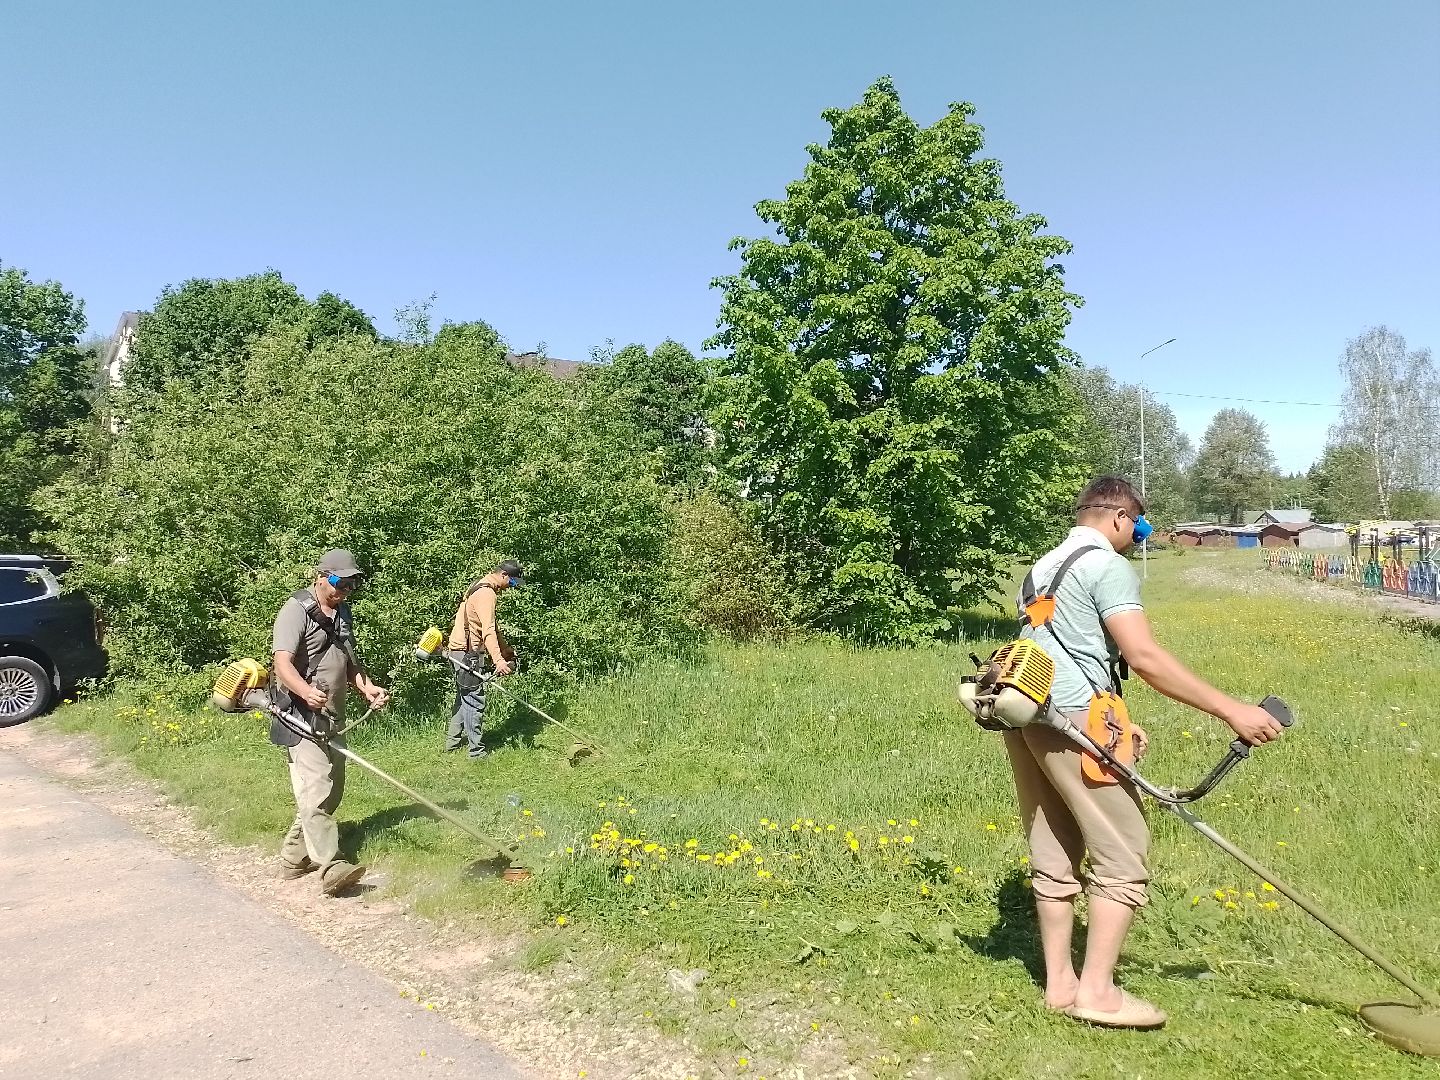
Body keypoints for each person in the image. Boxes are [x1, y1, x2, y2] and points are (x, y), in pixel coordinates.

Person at [1006, 476, 1284, 1029]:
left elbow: (1066, 647)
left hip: (1027, 714)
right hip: (1074, 722)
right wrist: (1234, 710)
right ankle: (1098, 993)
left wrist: (1117, 721)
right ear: (1119, 519)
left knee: (1055, 842)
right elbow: (1145, 657)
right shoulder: (1108, 564)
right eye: (1140, 527)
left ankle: (1061, 984)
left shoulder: (1044, 564)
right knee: (1124, 848)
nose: (1138, 539)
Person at [271, 549, 389, 896]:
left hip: (333, 713)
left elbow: (347, 660)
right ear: (321, 576)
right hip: (299, 714)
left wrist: (366, 687)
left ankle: (294, 859)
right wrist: (306, 692)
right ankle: (332, 866)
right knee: (318, 786)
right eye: (339, 582)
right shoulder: (294, 611)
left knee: (331, 789)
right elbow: (282, 664)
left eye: (352, 584)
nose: (345, 589)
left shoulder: (342, 612)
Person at [444, 559, 523, 759]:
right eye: (512, 583)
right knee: (474, 700)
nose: (511, 588)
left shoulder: (478, 587)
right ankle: (476, 752)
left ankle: (452, 744)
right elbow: (487, 631)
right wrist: (498, 661)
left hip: (461, 651)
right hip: (467, 653)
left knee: (463, 699)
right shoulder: (487, 594)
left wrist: (504, 650)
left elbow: (492, 627)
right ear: (504, 575)